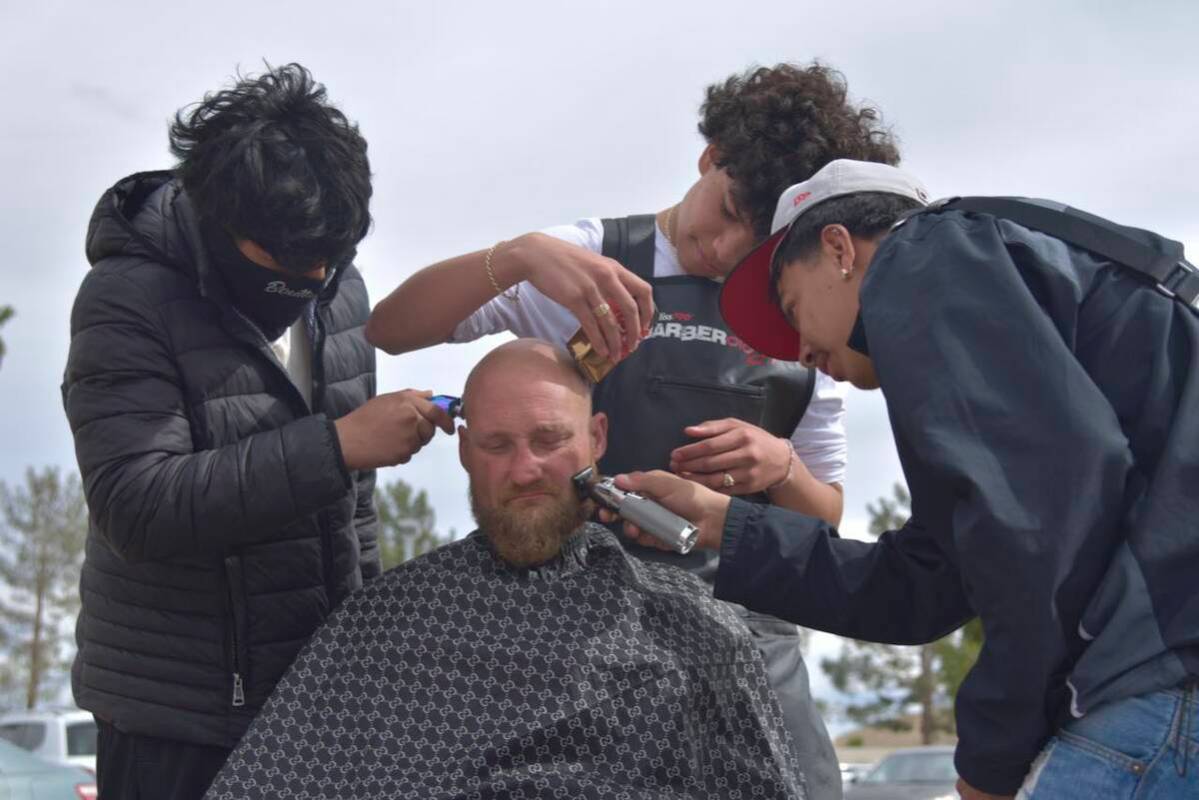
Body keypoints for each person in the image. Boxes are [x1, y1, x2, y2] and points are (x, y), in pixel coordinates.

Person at [366, 63, 902, 798]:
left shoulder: (801, 310)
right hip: (584, 649)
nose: (724, 248)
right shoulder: (583, 257)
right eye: (727, 208)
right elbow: (391, 328)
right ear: (710, 157)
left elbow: (826, 516)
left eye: (759, 237)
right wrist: (515, 256)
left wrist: (782, 469)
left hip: (747, 644)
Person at [613, 159, 1199, 799]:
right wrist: (727, 526)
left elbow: (1036, 534)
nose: (799, 350)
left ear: (839, 249)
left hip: (1162, 683)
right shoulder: (1003, 284)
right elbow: (923, 585)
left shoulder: (927, 255)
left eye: (791, 306)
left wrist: (989, 764)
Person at [62, 63, 452, 799]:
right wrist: (335, 447)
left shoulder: (340, 293)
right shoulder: (127, 297)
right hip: (176, 728)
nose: (313, 276)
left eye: (330, 258)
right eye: (290, 261)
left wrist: (365, 671)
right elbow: (134, 505)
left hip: (317, 713)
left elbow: (353, 518)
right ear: (221, 220)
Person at [203, 339, 807, 800]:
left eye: (549, 440)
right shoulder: (382, 629)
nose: (524, 470)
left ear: (596, 438)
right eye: (497, 446)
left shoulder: (692, 628)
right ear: (465, 451)